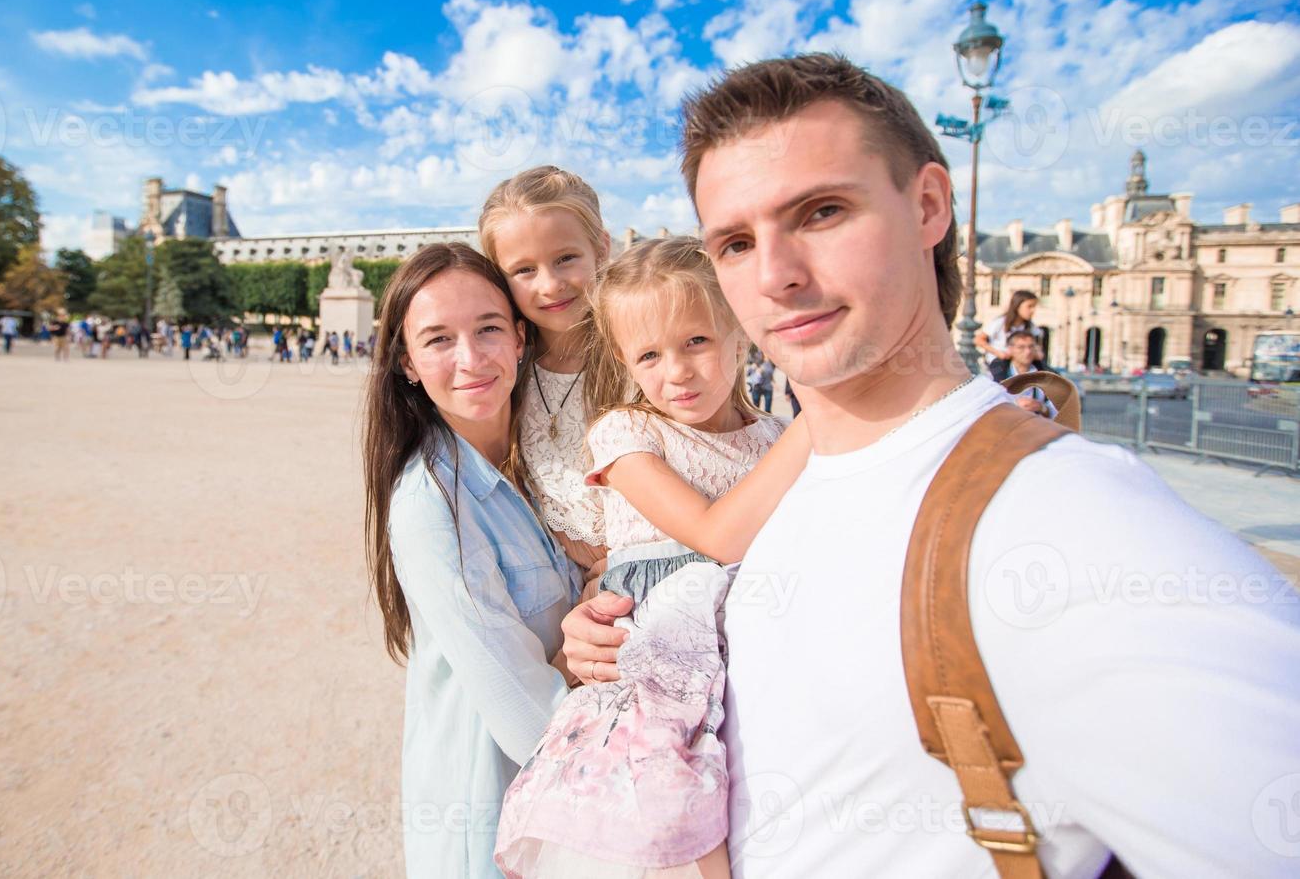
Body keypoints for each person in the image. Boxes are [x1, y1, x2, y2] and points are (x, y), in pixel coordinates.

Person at [560, 53, 1300, 877]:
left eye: (822, 212)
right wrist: (610, 630)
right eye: (735, 243)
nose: (775, 275)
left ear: (929, 206)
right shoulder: (796, 475)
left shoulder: (1088, 536)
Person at [496, 238, 813, 879]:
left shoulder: (775, 437)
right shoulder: (624, 433)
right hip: (659, 659)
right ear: (625, 361)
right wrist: (823, 413)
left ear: (739, 334)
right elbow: (713, 535)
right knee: (678, 825)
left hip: (754, 656)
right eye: (649, 354)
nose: (677, 371)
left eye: (696, 341)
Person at [363, 243, 581, 879]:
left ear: (519, 337)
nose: (470, 359)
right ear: (407, 363)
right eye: (438, 339)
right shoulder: (431, 505)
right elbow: (528, 719)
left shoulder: (550, 462)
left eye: (488, 328)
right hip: (496, 822)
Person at [478, 165, 614, 579]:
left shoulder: (639, 359)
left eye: (565, 258)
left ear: (602, 249)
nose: (550, 284)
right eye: (524, 270)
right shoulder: (503, 376)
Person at [976, 289, 1043, 367]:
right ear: (1017, 305)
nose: (1033, 310)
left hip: (1019, 364)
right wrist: (998, 353)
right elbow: (978, 340)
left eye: (1034, 307)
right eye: (1029, 306)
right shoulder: (1000, 322)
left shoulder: (1030, 326)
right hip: (999, 363)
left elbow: (1036, 344)